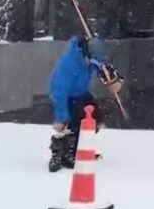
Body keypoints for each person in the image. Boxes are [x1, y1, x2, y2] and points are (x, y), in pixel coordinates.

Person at [47, 35, 122, 173]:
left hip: (81, 92)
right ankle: (63, 152)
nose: (94, 63)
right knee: (74, 121)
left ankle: (82, 147)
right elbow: (60, 92)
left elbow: (101, 65)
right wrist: (61, 117)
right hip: (66, 95)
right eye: (92, 60)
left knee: (94, 118)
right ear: (86, 54)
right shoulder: (69, 64)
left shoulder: (90, 58)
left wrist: (111, 76)